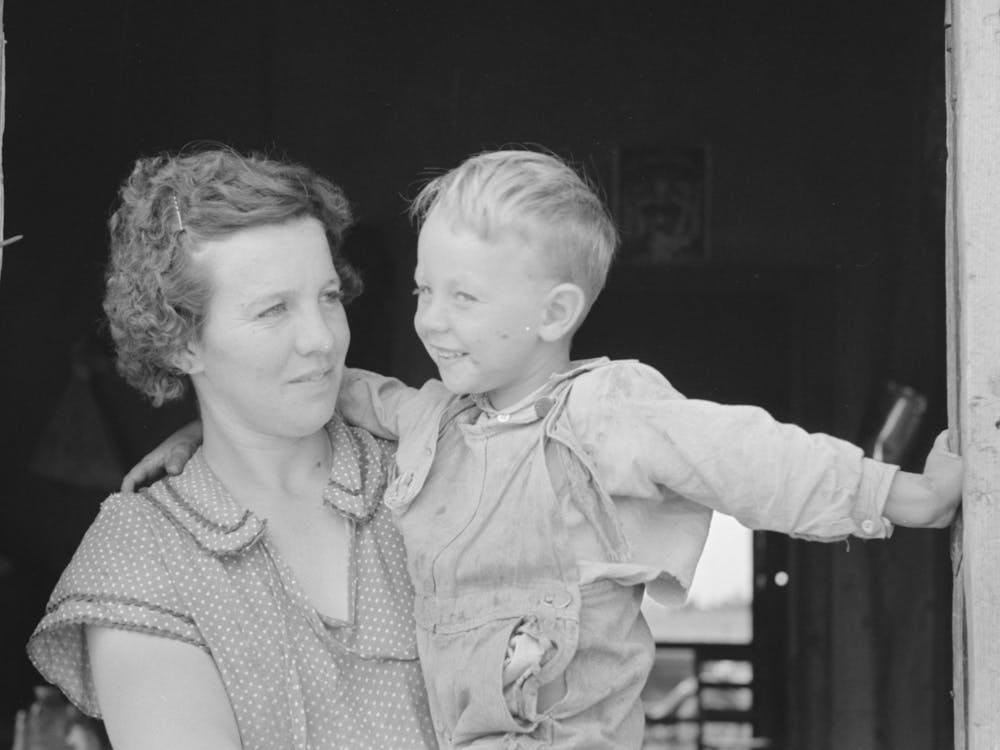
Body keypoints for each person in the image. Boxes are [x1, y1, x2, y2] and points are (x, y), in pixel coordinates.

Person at [126, 149, 963, 750]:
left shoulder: (607, 411)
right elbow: (318, 393)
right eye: (423, 291)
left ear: (556, 313)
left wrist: (903, 496)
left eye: (463, 296)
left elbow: (752, 458)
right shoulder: (430, 419)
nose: (431, 320)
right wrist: (202, 429)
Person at [27, 149, 438, 750]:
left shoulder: (423, 471)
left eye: (328, 296)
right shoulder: (143, 556)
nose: (322, 340)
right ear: (181, 342)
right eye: (274, 310)